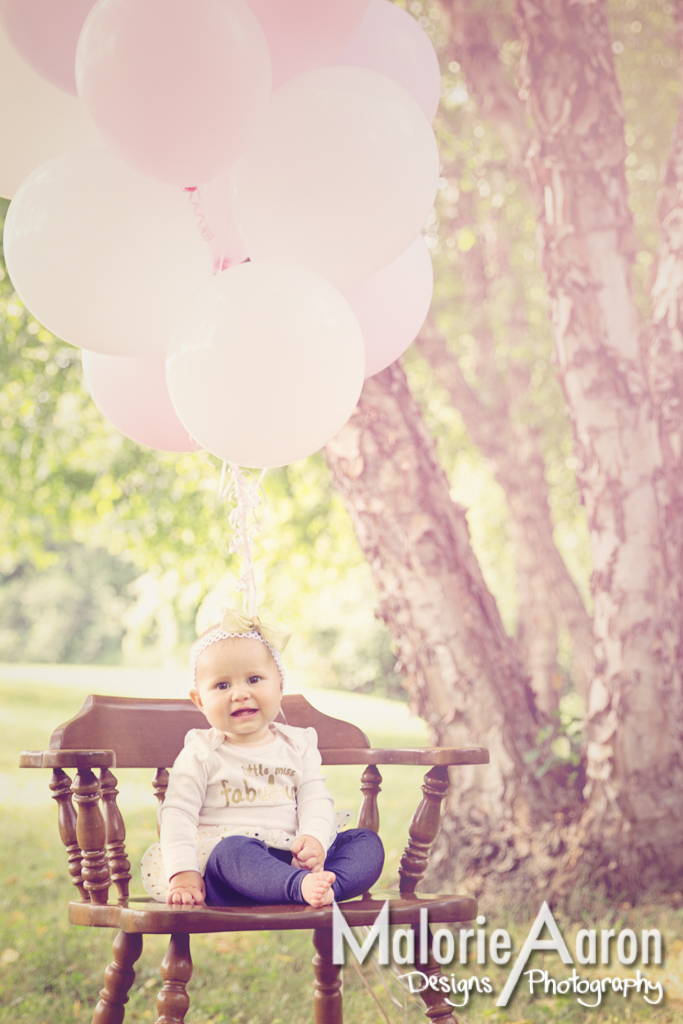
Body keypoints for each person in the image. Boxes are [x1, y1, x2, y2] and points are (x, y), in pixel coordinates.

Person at [141, 609, 385, 909]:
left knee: (365, 843)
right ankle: (300, 887)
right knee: (231, 850)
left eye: (254, 679)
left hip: (294, 858)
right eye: (222, 685)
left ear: (280, 685)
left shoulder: (298, 744)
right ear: (200, 700)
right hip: (235, 872)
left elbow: (315, 798)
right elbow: (177, 814)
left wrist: (314, 839)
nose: (240, 693)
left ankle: (329, 887)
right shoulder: (202, 751)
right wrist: (183, 873)